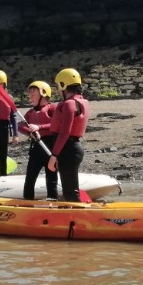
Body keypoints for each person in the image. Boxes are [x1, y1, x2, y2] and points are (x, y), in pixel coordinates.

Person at [47, 68, 90, 202]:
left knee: (70, 190)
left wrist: (54, 155)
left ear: (63, 85)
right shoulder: (82, 102)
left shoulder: (69, 104)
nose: (58, 90)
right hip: (73, 148)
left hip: (68, 150)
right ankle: (75, 214)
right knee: (70, 188)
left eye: (58, 86)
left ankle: (76, 218)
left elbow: (65, 132)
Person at [19, 80, 58, 200]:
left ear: (43, 94)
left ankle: (53, 201)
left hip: (50, 148)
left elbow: (58, 124)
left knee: (51, 180)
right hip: (36, 148)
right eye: (30, 95)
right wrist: (30, 132)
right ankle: (27, 203)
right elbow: (20, 126)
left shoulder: (52, 108)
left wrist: (39, 127)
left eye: (33, 94)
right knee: (29, 180)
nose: (30, 97)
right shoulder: (30, 112)